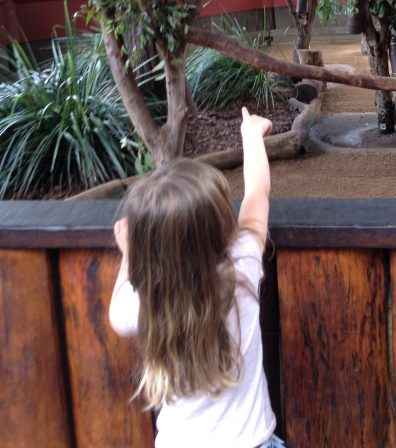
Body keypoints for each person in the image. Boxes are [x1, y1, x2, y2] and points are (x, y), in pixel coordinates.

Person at [109, 107, 286, 448]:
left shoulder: (146, 302)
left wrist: (129, 255)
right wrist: (251, 136)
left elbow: (118, 313)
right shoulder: (242, 267)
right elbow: (256, 193)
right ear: (219, 223)